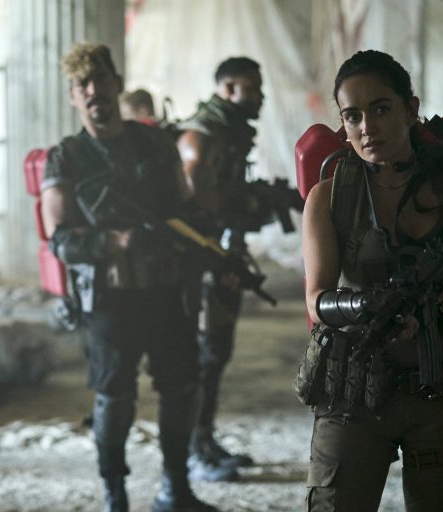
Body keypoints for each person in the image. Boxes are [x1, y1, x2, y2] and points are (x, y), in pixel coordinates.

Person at [299, 50, 443, 511]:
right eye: (352, 115)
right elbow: (316, 301)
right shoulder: (330, 197)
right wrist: (367, 308)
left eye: (381, 109)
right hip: (354, 393)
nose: (367, 126)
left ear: (411, 109)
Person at [40, 43, 217, 512]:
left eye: (100, 79)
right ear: (73, 96)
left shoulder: (154, 144)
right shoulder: (67, 157)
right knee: (114, 398)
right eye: (82, 84)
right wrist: (113, 242)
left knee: (182, 387)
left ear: (116, 83)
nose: (93, 90)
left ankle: (175, 489)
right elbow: (61, 240)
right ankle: (114, 495)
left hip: (165, 290)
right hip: (110, 298)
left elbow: (183, 209)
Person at [176, 56, 264, 482]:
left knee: (217, 354)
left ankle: (205, 439)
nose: (260, 96)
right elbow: (195, 208)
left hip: (222, 259)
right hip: (202, 264)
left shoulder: (229, 136)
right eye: (252, 88)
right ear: (228, 89)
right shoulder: (202, 137)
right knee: (201, 357)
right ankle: (194, 451)